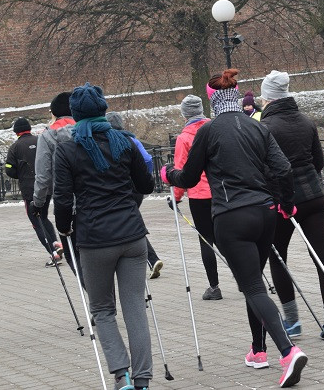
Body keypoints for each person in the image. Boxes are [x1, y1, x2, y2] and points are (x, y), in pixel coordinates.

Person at [163, 69, 307, 388]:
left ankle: (288, 351)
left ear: (212, 100)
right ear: (237, 95)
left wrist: (167, 173)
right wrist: (284, 203)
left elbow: (188, 178)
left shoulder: (209, 131)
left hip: (231, 217)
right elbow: (282, 168)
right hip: (266, 212)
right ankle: (258, 350)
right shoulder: (256, 126)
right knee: (252, 283)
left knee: (253, 286)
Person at [53, 83, 155, 390]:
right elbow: (146, 185)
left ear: (75, 114)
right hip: (132, 235)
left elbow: (62, 196)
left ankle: (121, 374)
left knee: (102, 309)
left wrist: (64, 226)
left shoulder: (68, 146)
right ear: (103, 109)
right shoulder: (123, 140)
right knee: (135, 306)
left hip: (95, 238)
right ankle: (143, 379)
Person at [260, 70, 324, 341]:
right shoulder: (306, 121)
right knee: (322, 257)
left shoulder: (265, 128)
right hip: (315, 198)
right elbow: (319, 161)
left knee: (278, 257)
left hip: (283, 201)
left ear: (268, 99)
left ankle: (292, 321)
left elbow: (265, 169)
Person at [170, 95, 222, 299]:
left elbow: (180, 170)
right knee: (226, 237)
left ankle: (214, 287)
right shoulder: (215, 129)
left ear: (184, 114)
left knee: (206, 239)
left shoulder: (184, 138)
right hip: (220, 190)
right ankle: (244, 280)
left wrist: (176, 196)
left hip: (199, 195)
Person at [107, 112, 164, 280]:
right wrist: (143, 176)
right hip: (137, 189)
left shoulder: (110, 142)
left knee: (130, 224)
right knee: (131, 221)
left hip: (121, 189)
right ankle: (150, 260)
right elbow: (147, 159)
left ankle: (150, 259)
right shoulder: (133, 140)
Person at [32, 92, 82, 276]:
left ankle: (97, 300)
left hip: (67, 205)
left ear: (54, 113)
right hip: (96, 200)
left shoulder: (47, 136)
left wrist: (37, 203)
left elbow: (43, 176)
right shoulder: (86, 129)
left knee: (74, 257)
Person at [5, 117, 63, 266]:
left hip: (30, 190)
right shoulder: (41, 140)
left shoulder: (15, 147)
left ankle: (53, 253)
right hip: (47, 186)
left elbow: (9, 170)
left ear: (16, 132)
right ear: (29, 129)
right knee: (43, 217)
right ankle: (57, 243)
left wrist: (21, 174)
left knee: (36, 222)